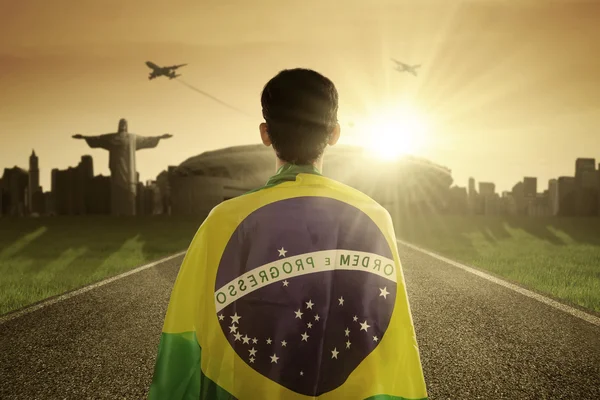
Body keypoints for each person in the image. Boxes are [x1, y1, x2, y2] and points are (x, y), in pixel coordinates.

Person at [148, 68, 428, 400]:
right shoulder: (374, 216)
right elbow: (392, 334)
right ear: (335, 133)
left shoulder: (222, 221)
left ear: (266, 133)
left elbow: (186, 330)